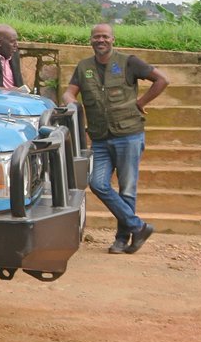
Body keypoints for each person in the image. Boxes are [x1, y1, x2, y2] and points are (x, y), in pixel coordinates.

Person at [62, 23, 169, 254]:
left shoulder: (129, 62)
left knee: (127, 189)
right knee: (97, 183)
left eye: (105, 36)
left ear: (112, 39)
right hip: (100, 137)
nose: (100, 40)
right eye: (96, 37)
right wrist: (70, 99)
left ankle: (122, 239)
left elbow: (162, 80)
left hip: (128, 134)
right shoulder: (84, 67)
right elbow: (70, 91)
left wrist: (141, 102)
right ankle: (138, 227)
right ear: (90, 40)